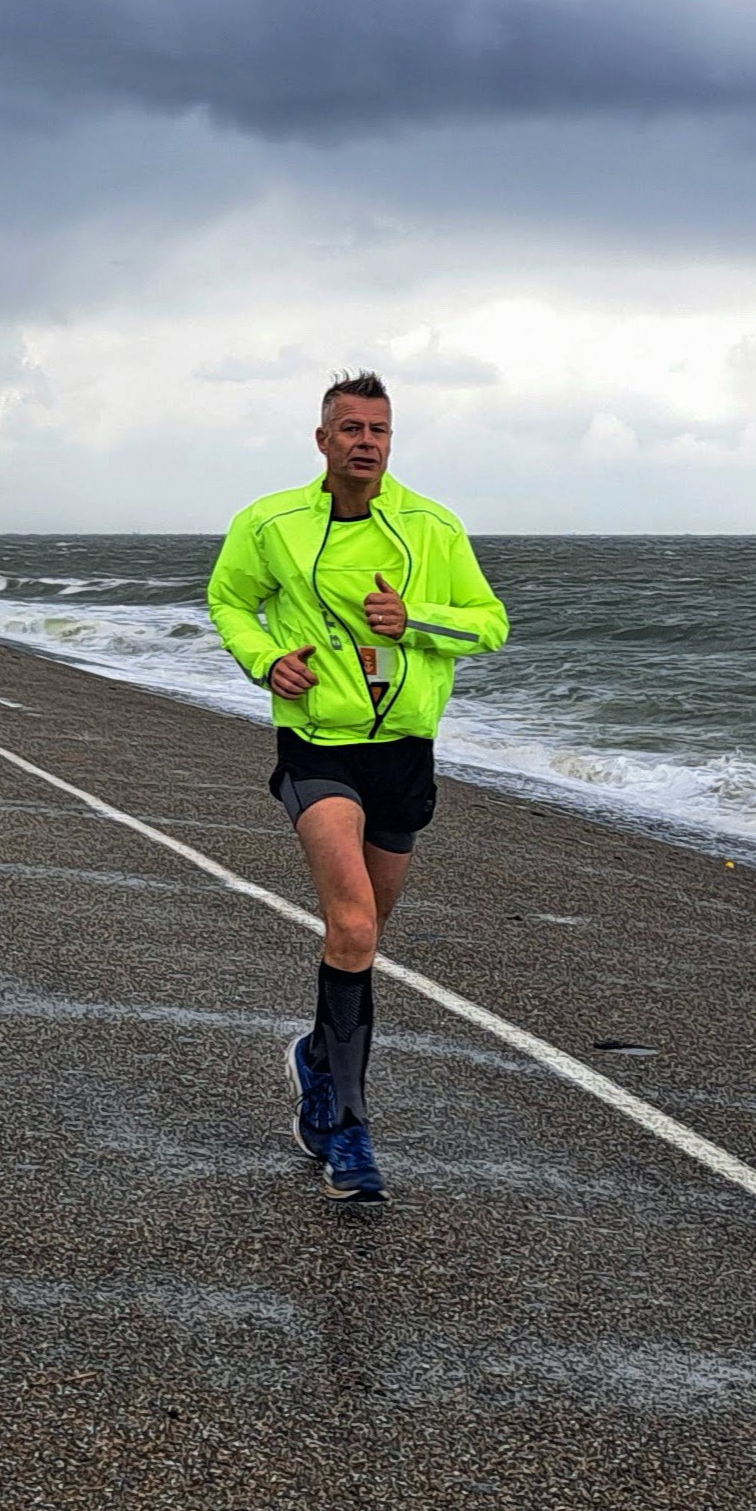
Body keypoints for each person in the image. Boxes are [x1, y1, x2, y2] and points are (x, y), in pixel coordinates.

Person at [203, 370, 508, 1201]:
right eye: (350, 428)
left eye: (378, 429)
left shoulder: (431, 527)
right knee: (352, 922)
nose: (365, 441)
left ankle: (316, 1057)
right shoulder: (271, 523)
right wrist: (267, 659)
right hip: (318, 744)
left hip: (403, 749)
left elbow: (490, 623)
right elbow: (228, 600)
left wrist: (415, 620)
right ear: (322, 439)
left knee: (362, 938)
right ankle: (347, 1129)